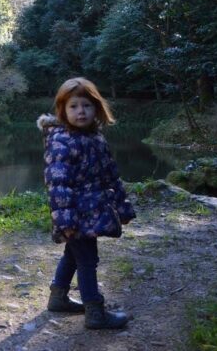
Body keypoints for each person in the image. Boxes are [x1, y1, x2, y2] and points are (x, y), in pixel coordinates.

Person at [37, 77, 136, 329]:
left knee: (74, 253)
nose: (80, 111)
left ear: (97, 109)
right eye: (74, 106)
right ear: (63, 110)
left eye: (86, 106)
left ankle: (58, 297)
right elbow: (58, 185)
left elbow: (110, 176)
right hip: (76, 214)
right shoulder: (61, 141)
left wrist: (122, 207)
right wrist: (66, 221)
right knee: (87, 260)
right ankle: (95, 311)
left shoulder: (96, 139)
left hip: (94, 210)